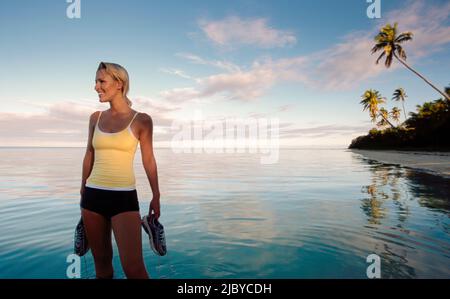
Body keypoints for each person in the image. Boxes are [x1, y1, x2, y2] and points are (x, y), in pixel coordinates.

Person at [79, 62, 160, 279]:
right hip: (92, 197)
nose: (96, 87)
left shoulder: (142, 120)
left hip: (124, 199)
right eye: (96, 81)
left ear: (119, 84)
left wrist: (156, 195)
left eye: (101, 81)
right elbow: (89, 154)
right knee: (102, 268)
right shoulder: (95, 118)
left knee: (134, 270)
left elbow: (149, 159)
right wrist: (82, 190)